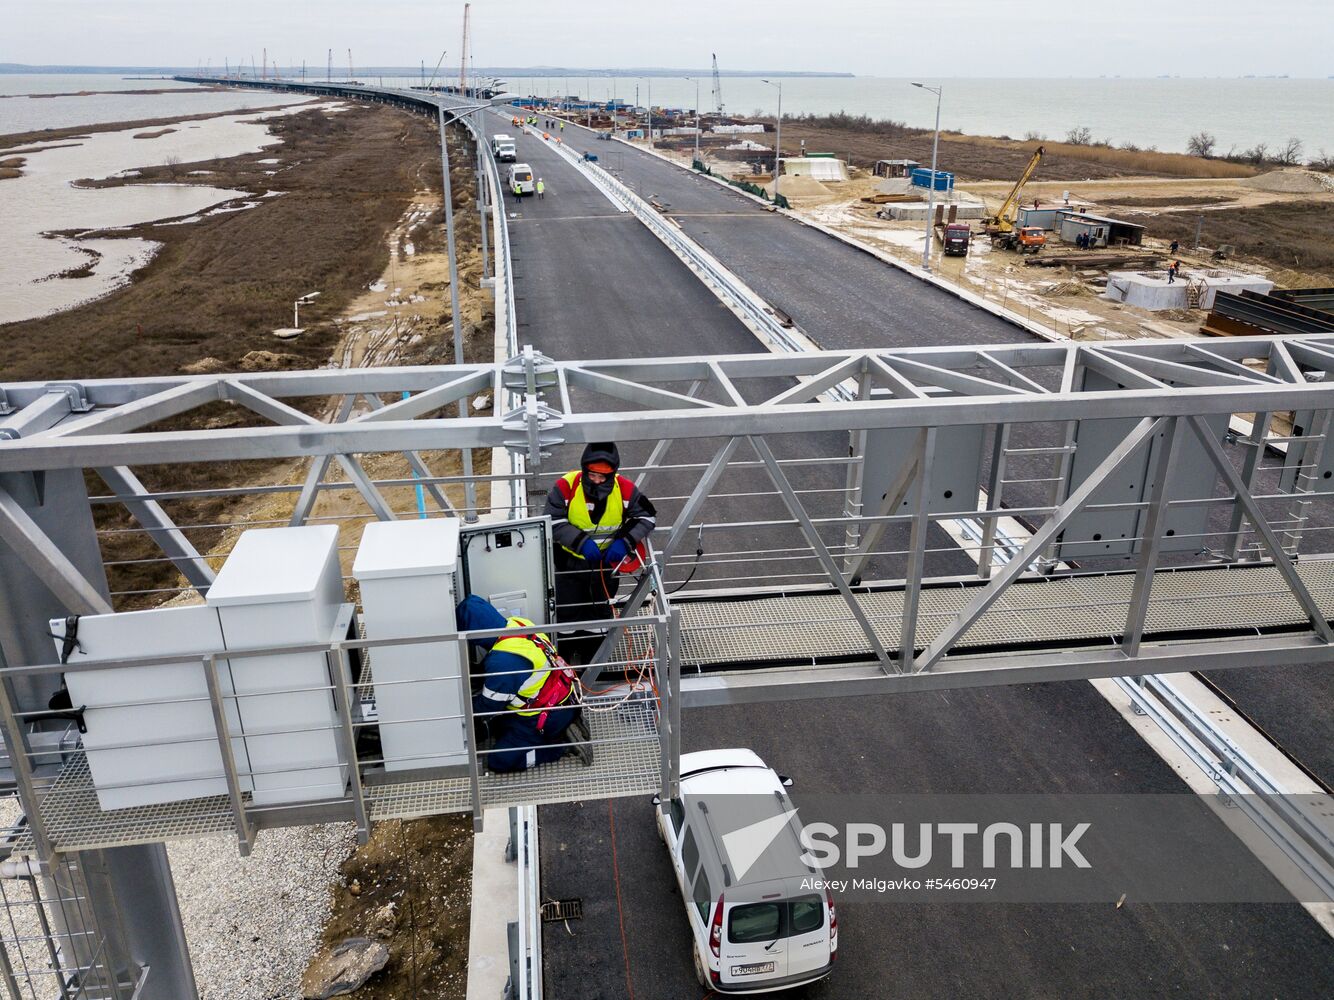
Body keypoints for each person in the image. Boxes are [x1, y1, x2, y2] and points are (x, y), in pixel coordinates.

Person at [544, 442, 656, 661]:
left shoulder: (625, 490)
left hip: (605, 566)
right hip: (569, 564)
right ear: (584, 470)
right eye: (592, 475)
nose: (596, 481)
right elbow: (553, 520)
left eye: (602, 477)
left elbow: (647, 516)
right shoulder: (565, 487)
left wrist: (625, 542)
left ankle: (593, 658)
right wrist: (580, 542)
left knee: (600, 610)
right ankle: (565, 655)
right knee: (567, 610)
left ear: (612, 474)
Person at [457, 595, 592, 771]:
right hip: (560, 699)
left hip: (544, 717)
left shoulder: (504, 662)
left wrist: (458, 710)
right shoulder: (517, 624)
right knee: (496, 728)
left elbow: (489, 705)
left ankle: (558, 747)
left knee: (500, 761)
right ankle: (567, 722)